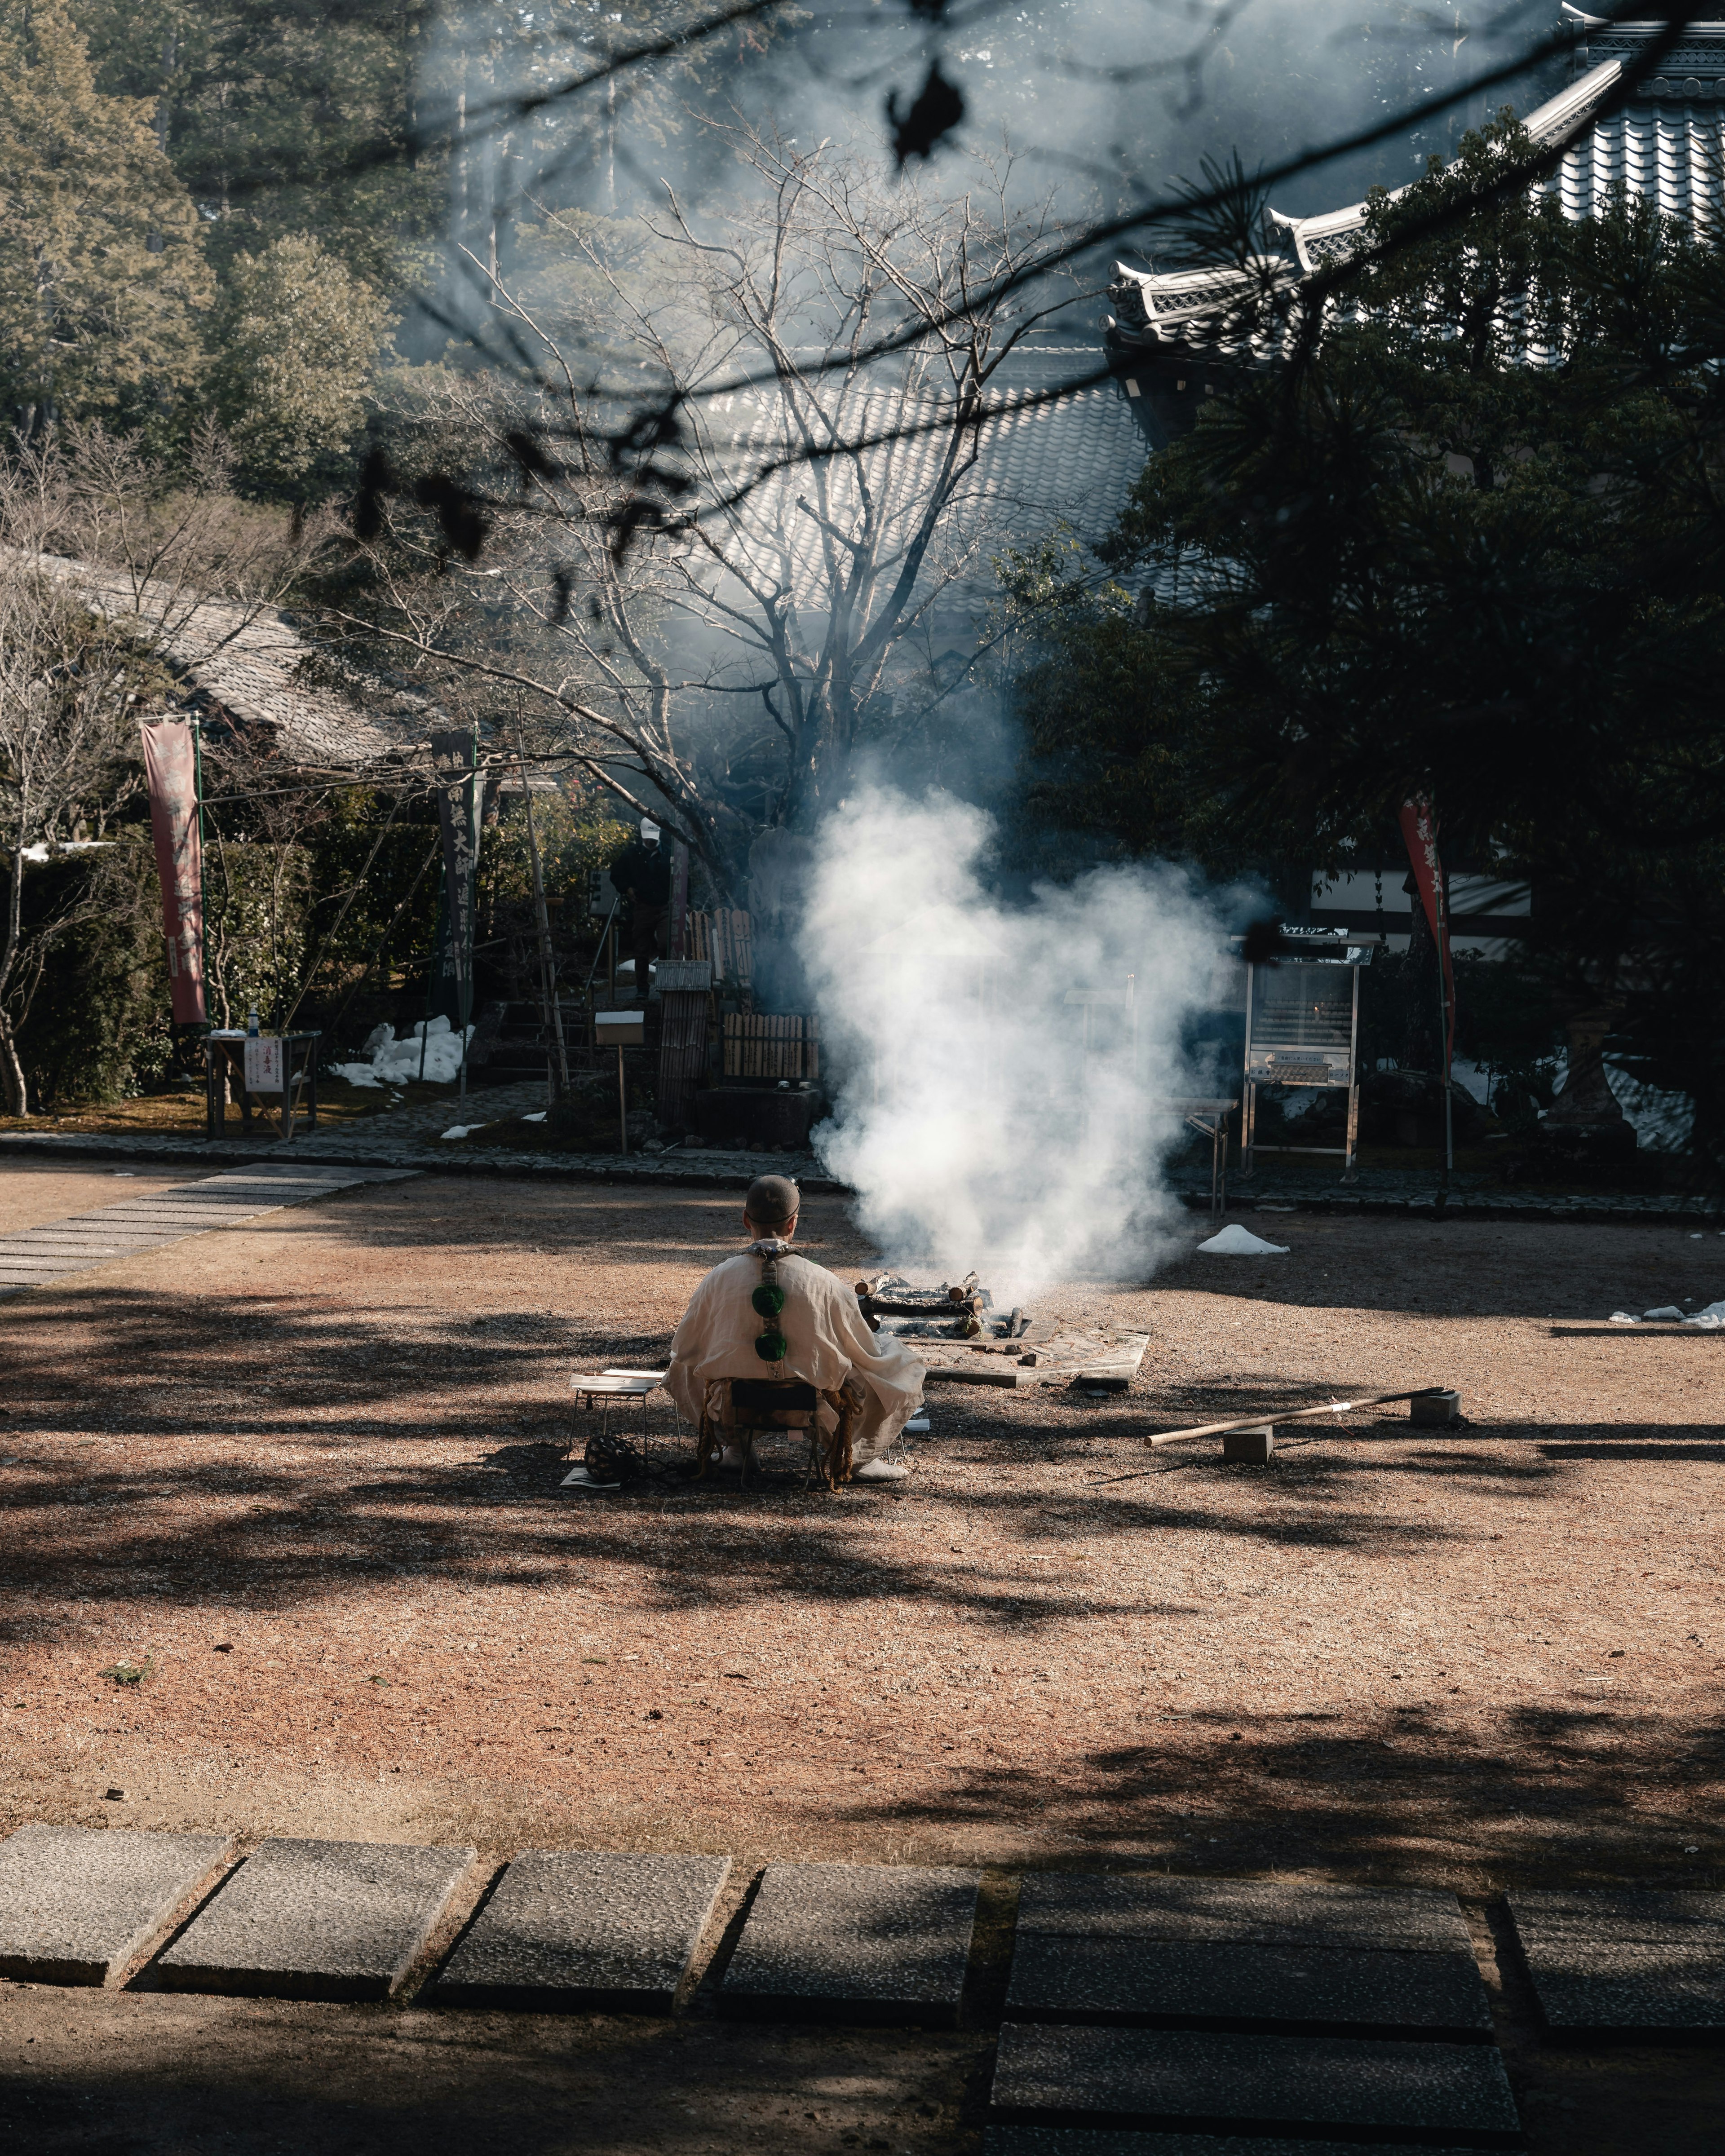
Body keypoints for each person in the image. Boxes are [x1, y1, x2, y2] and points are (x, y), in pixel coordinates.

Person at [665, 1174, 921, 1483]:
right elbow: (865, 1350)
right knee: (899, 1361)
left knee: (681, 1365)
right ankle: (858, 1458)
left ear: (746, 1220)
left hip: (736, 1404)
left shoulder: (718, 1278)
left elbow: (685, 1346)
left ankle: (736, 1448)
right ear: (793, 1224)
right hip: (814, 1407)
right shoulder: (825, 1282)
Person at [609, 819, 672, 1000]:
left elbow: (685, 877)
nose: (651, 842)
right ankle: (642, 989)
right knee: (641, 949)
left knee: (665, 945)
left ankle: (666, 985)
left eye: (653, 838)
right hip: (643, 906)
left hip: (665, 906)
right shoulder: (631, 854)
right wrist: (627, 888)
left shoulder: (669, 853)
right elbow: (616, 876)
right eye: (648, 838)